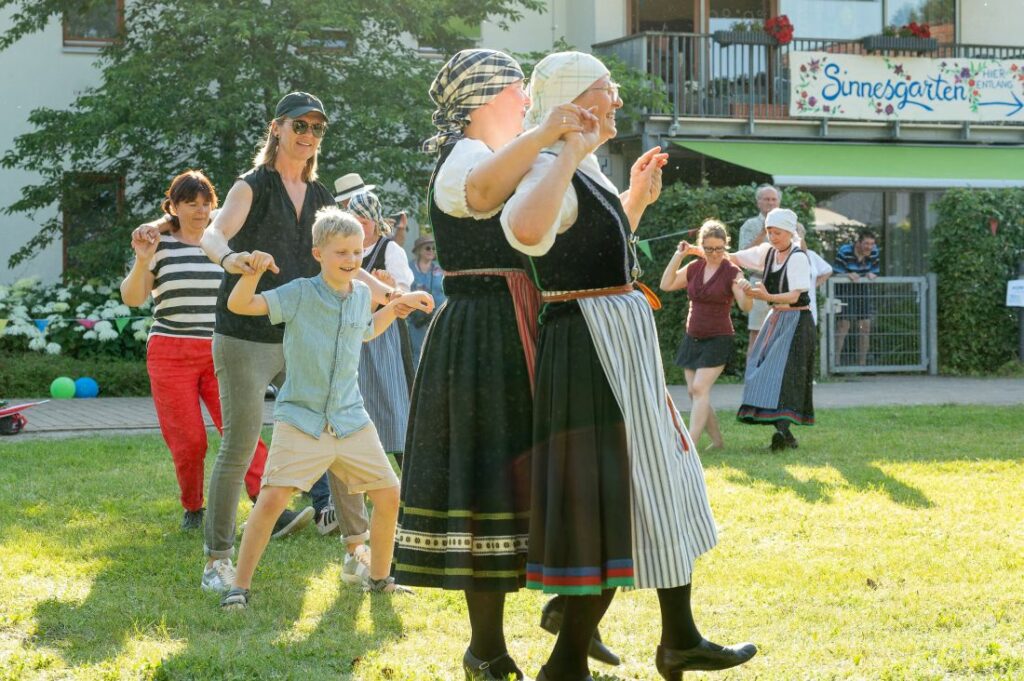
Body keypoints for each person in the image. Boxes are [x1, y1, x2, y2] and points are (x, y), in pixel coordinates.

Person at [501, 51, 756, 681]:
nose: (616, 99)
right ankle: (576, 660)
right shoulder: (547, 162)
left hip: (614, 339)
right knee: (613, 493)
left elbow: (589, 249)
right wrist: (562, 146)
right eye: (606, 90)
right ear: (573, 99)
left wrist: (633, 200)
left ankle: (677, 637)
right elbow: (528, 231)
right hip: (590, 346)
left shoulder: (582, 169)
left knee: (661, 480)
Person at [392, 49, 611, 681]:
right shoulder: (465, 158)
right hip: (484, 334)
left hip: (527, 323)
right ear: (491, 95)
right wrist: (548, 135)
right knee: (489, 475)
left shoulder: (516, 153)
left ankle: (559, 615)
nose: (527, 101)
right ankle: (485, 648)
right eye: (520, 90)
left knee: (535, 475)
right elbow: (484, 192)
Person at [131, 92, 403, 593]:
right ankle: (217, 560)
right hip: (246, 333)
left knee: (341, 425)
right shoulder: (250, 185)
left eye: (317, 128)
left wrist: (390, 293)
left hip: (304, 332)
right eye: (300, 125)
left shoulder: (321, 194)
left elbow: (348, 259)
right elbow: (216, 233)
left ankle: (356, 551)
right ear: (277, 128)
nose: (308, 135)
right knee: (239, 442)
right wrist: (231, 261)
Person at [219, 207, 434, 608]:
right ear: (318, 253)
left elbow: (366, 332)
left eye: (356, 252)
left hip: (351, 419)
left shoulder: (360, 297)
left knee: (389, 495)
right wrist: (250, 273)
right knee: (270, 502)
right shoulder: (299, 292)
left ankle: (381, 578)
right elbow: (240, 306)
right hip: (302, 419)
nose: (351, 260)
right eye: (341, 253)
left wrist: (394, 307)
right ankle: (239, 587)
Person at [120, 170, 269, 530]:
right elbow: (133, 298)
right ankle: (192, 506)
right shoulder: (161, 247)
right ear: (173, 206)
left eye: (206, 203)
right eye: (191, 204)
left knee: (242, 429)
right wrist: (143, 259)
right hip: (170, 352)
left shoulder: (222, 244)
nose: (200, 211)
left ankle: (266, 504)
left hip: (221, 349)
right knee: (188, 440)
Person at [659, 220, 752, 450]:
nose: (714, 254)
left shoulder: (732, 271)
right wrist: (679, 255)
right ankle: (718, 441)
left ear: (725, 246)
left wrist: (746, 290)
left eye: (719, 249)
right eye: (709, 249)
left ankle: (689, 443)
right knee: (694, 392)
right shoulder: (694, 268)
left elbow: (746, 306)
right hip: (693, 336)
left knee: (699, 388)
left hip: (719, 337)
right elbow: (666, 284)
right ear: (701, 246)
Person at [730, 208, 815, 451]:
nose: (772, 237)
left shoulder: (797, 257)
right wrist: (700, 251)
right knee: (762, 371)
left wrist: (767, 295)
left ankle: (783, 432)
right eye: (769, 231)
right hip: (776, 319)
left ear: (789, 233)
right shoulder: (768, 253)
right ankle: (785, 435)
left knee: (786, 377)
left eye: (777, 232)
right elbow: (734, 257)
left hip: (797, 322)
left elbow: (795, 295)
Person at [737, 184, 780, 357]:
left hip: (784, 284)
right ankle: (751, 378)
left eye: (773, 199)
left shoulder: (789, 224)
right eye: (766, 199)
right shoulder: (750, 225)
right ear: (758, 203)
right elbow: (742, 255)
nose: (770, 203)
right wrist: (763, 233)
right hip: (759, 280)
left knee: (780, 332)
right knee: (757, 332)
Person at [833, 229, 880, 366]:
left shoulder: (874, 251)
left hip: (862, 288)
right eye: (866, 244)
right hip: (845, 289)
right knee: (843, 325)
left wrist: (873, 274)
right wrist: (847, 275)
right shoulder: (844, 251)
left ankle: (862, 365)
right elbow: (835, 273)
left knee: (865, 325)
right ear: (858, 243)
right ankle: (835, 363)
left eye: (872, 244)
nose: (869, 247)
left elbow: (875, 271)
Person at [407, 234, 445, 366]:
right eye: (427, 248)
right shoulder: (409, 269)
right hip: (416, 321)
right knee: (418, 353)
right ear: (419, 250)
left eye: (433, 248)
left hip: (439, 319)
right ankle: (417, 384)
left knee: (439, 352)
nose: (431, 251)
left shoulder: (440, 269)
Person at [795, 223, 833, 326]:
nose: (797, 234)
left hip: (809, 307)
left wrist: (813, 285)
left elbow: (828, 270)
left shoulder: (811, 255)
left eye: (799, 231)